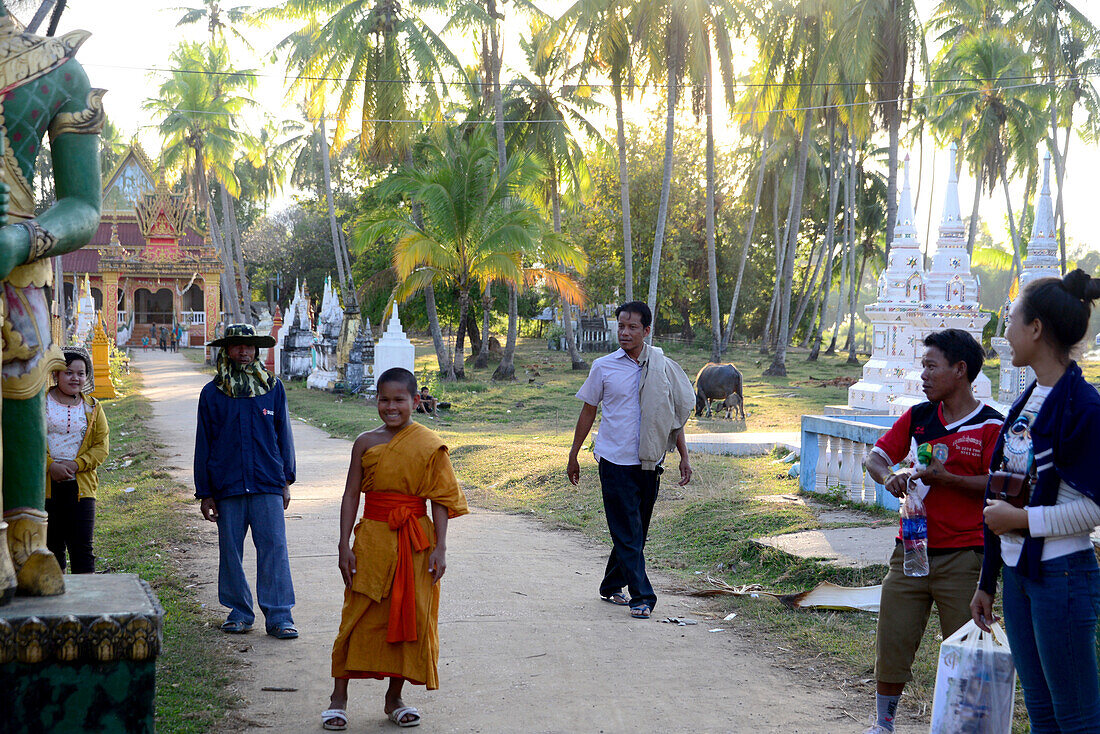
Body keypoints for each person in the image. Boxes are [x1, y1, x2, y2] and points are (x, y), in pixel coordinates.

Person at [971, 270, 1100, 732]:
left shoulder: (1083, 407)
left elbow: (1093, 510)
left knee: (1078, 717)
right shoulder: (1026, 401)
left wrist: (1021, 519)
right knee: (1043, 714)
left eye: (1011, 320)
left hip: (1063, 576)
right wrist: (988, 580)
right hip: (1020, 576)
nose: (1003, 332)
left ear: (1036, 329)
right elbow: (998, 493)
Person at [860, 329, 1003, 734]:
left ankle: (961, 725)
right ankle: (884, 724)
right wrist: (888, 476)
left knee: (964, 650)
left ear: (960, 370)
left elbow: (1003, 484)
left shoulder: (992, 426)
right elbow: (876, 457)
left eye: (930, 366)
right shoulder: (919, 417)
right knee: (894, 639)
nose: (922, 375)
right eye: (922, 366)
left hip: (965, 556)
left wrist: (948, 479)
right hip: (910, 550)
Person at [322, 367, 468, 731]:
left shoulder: (429, 443)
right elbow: (351, 494)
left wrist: (442, 548)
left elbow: (440, 498)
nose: (391, 407)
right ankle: (338, 698)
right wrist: (344, 544)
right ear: (376, 401)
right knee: (358, 614)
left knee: (410, 615)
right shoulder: (365, 442)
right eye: (384, 400)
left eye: (399, 400)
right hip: (372, 538)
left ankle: (395, 698)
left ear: (415, 402)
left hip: (416, 542)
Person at [566, 301, 694, 620]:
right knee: (626, 530)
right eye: (620, 326)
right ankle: (642, 596)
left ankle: (611, 584)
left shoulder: (661, 366)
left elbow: (672, 415)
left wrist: (684, 456)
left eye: (632, 327)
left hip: (650, 460)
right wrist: (573, 454)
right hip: (613, 460)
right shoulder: (604, 366)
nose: (624, 332)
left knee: (636, 531)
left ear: (646, 331)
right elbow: (588, 410)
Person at [194, 323, 298, 639]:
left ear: (257, 350)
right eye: (238, 346)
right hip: (228, 487)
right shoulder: (212, 394)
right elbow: (204, 444)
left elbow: (284, 436)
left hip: (267, 482)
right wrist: (205, 493)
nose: (244, 351)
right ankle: (239, 612)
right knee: (231, 552)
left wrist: (286, 481)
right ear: (227, 350)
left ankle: (280, 616)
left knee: (274, 549)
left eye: (249, 346)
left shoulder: (273, 389)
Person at [44, 348, 108, 574]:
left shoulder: (92, 407)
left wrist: (76, 464)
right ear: (56, 375)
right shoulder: (40, 404)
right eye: (68, 372)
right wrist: (50, 465)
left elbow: (101, 446)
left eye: (81, 374)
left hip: (81, 488)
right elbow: (29, 440)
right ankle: (55, 604)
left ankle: (86, 605)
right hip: (46, 488)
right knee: (51, 549)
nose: (75, 378)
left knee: (82, 548)